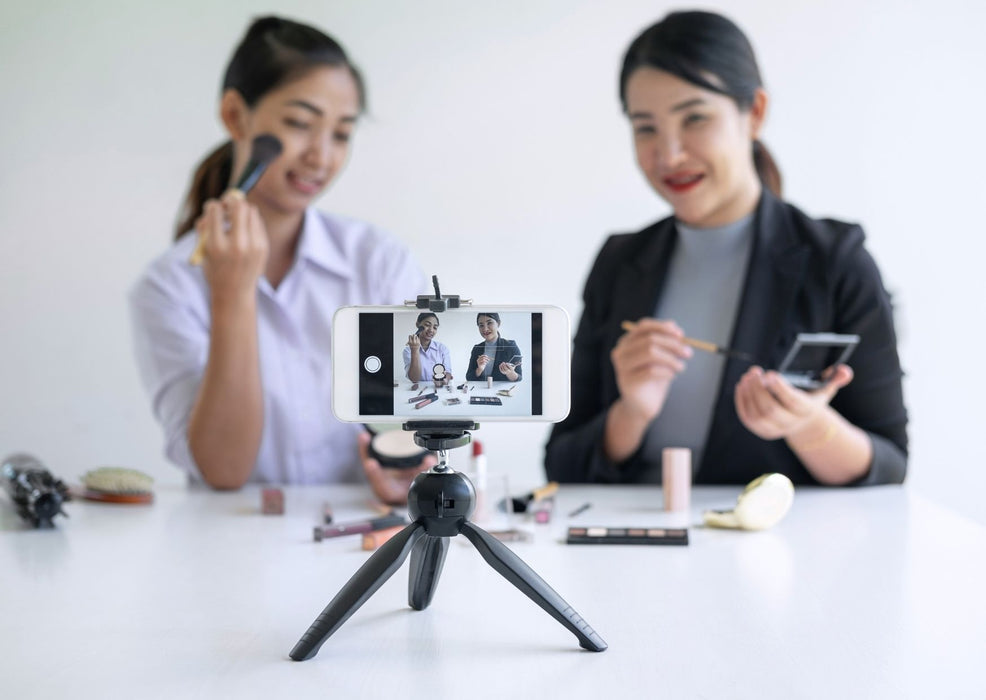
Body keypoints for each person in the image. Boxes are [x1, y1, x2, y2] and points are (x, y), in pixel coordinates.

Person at [545, 10, 907, 487]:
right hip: (632, 532)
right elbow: (560, 463)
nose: (669, 154)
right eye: (645, 127)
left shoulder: (836, 261)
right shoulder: (619, 262)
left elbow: (890, 465)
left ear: (754, 112)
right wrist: (631, 413)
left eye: (695, 118)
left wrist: (807, 425)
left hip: (775, 534)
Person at [129, 16, 431, 502]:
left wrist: (408, 470)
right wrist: (232, 295)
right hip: (228, 538)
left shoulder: (378, 261)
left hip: (358, 529)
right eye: (299, 124)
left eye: (341, 134)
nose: (321, 157)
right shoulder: (169, 287)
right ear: (235, 115)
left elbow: (421, 417)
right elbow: (224, 470)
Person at [465, 313, 522, 382]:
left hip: (502, 389)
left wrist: (510, 373)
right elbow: (469, 377)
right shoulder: (477, 348)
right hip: (480, 388)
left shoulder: (511, 346)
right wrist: (479, 369)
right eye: (481, 325)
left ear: (498, 323)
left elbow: (519, 378)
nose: (485, 329)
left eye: (489, 323)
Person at [404, 312, 453, 383]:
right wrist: (415, 350)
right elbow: (414, 379)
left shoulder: (442, 348)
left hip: (438, 387)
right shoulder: (408, 350)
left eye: (435, 327)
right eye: (427, 325)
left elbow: (448, 372)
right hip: (418, 388)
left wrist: (445, 379)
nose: (431, 330)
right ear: (417, 324)